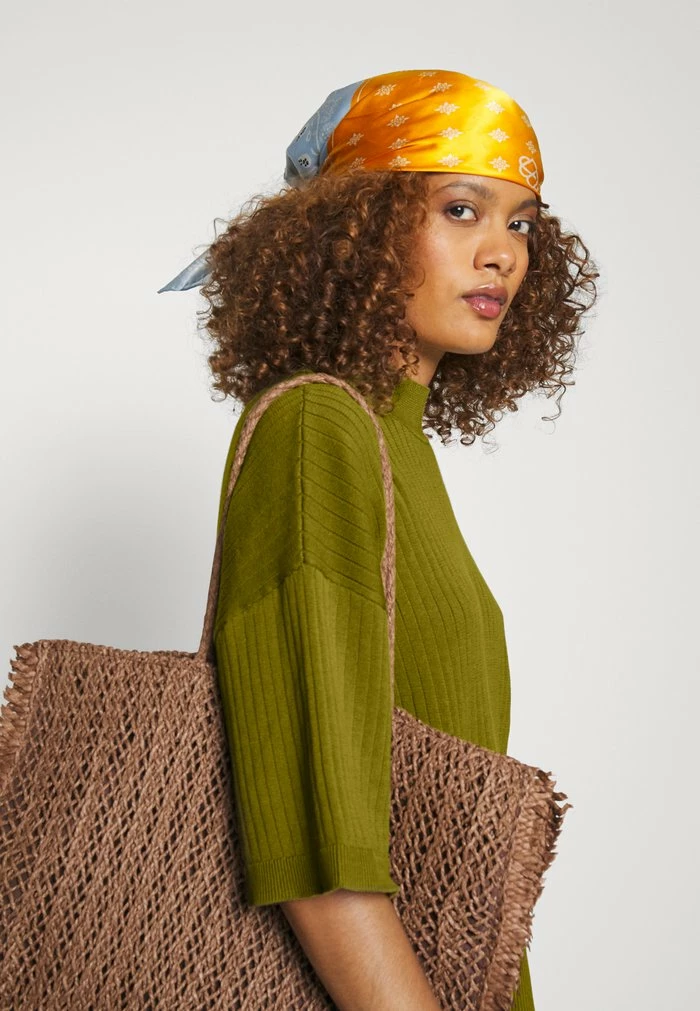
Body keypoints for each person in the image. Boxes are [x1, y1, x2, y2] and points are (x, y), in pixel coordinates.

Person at [159, 68, 598, 1010]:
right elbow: (324, 858)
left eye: (521, 223)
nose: (502, 254)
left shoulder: (394, 439)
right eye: (460, 209)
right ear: (351, 228)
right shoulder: (318, 431)